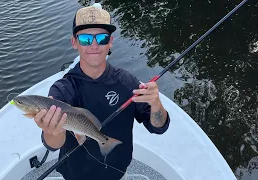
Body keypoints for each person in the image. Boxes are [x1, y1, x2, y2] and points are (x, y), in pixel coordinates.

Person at [33, 3, 170, 180]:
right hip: (75, 175)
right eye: (85, 39)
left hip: (118, 173)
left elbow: (158, 127)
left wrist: (156, 104)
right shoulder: (63, 88)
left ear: (110, 42)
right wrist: (52, 130)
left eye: (102, 38)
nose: (95, 45)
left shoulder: (127, 82)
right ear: (74, 42)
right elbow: (53, 145)